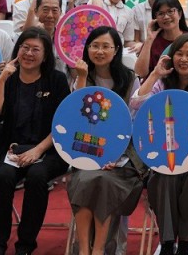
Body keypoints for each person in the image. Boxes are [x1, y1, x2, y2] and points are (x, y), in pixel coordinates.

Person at [131, 33, 188, 255]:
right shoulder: (161, 84)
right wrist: (154, 74)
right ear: (171, 57)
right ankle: (166, 242)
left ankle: (185, 244)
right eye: (179, 54)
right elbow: (136, 103)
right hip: (166, 152)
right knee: (163, 177)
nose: (184, 59)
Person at [0, 27, 71, 255]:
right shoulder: (8, 78)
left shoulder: (57, 80)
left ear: (45, 55)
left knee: (37, 177)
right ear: (17, 49)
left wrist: (38, 150)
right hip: (12, 149)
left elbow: (63, 124)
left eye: (36, 49)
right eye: (25, 47)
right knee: (1, 177)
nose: (29, 53)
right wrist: (2, 80)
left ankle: (25, 245)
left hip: (49, 149)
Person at [67, 26, 144, 255]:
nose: (100, 51)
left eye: (106, 46)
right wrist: (81, 79)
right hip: (87, 148)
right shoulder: (81, 76)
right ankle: (83, 248)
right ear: (87, 49)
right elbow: (75, 117)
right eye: (95, 46)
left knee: (106, 182)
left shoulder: (130, 79)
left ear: (116, 50)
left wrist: (116, 154)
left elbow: (133, 124)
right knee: (84, 179)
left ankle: (100, 248)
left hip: (123, 152)